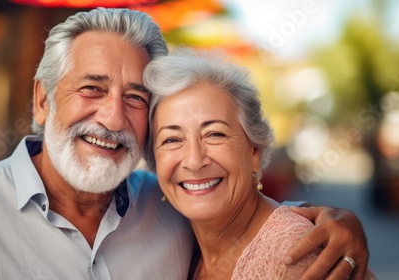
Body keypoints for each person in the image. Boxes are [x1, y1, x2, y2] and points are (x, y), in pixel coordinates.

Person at [0, 7, 367, 280]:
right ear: (41, 100)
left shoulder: (169, 205)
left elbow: (243, 219)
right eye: (92, 88)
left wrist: (331, 221)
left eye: (135, 98)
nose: (112, 118)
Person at [144, 48, 377, 279]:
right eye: (172, 139)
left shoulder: (297, 255)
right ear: (155, 161)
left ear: (255, 151)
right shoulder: (181, 240)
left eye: (215, 134)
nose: (194, 161)